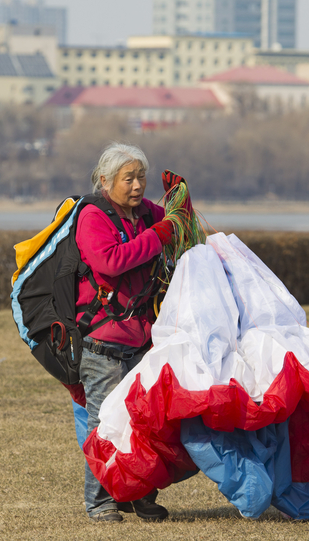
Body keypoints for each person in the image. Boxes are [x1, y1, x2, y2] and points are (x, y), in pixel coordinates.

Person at [75, 143, 176, 523]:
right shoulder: (93, 216)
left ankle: (139, 495)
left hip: (140, 340)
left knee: (145, 423)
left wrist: (179, 203)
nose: (137, 186)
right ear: (105, 180)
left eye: (141, 177)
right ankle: (99, 502)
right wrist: (160, 235)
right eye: (127, 178)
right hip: (102, 345)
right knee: (106, 426)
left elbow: (177, 222)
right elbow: (110, 262)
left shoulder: (144, 214)